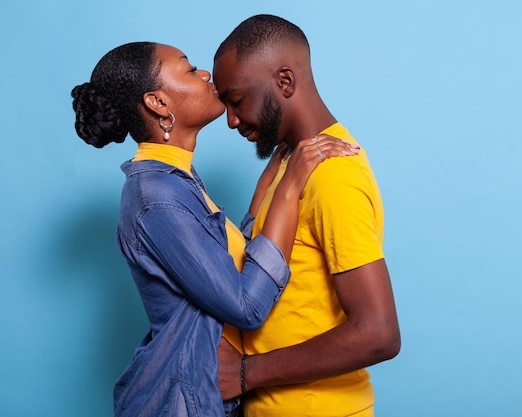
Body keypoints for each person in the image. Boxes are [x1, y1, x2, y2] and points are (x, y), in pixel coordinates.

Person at [70, 42, 359, 417]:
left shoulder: (176, 180)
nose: (205, 75)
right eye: (189, 69)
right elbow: (246, 304)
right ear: (158, 103)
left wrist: (271, 178)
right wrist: (290, 188)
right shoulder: (157, 198)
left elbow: (225, 266)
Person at [212, 15, 401, 417]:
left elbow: (380, 333)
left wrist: (245, 372)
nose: (230, 120)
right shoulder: (290, 164)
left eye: (236, 99)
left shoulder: (332, 174)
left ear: (285, 82)